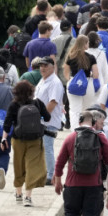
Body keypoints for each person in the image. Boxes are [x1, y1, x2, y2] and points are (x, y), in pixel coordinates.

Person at [53, 111, 108, 216]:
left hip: (72, 185)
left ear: (79, 121)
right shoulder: (100, 137)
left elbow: (59, 163)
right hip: (94, 186)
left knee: (71, 214)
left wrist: (58, 182)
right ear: (93, 123)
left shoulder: (71, 137)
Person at [1, 80, 50, 207]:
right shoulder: (37, 103)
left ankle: (18, 194)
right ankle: (28, 197)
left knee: (19, 165)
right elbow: (47, 117)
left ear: (16, 92)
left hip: (18, 140)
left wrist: (3, 139)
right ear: (31, 91)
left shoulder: (13, 105)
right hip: (35, 139)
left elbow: (7, 124)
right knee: (32, 166)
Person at [34, 55, 65, 185]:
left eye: (46, 65)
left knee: (47, 147)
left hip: (48, 121)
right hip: (41, 121)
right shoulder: (43, 80)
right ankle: (45, 172)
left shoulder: (54, 82)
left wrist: (42, 116)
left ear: (53, 67)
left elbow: (52, 103)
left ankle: (51, 175)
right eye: (41, 65)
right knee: (42, 147)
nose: (42, 68)